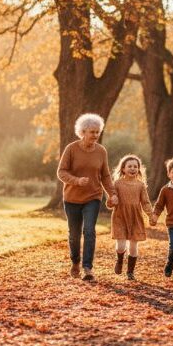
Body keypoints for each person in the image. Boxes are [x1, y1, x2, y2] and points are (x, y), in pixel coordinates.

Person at [57, 113, 118, 281]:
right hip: (72, 198)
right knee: (74, 234)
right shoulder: (71, 149)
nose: (96, 135)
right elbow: (61, 172)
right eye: (92, 132)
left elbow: (105, 176)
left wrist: (112, 194)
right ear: (83, 132)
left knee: (89, 231)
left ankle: (87, 268)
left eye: (98, 132)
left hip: (93, 196)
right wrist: (76, 181)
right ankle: (75, 262)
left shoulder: (101, 151)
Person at [108, 154, 154, 280]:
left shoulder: (140, 185)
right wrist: (112, 200)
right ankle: (119, 260)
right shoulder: (117, 184)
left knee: (133, 247)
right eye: (129, 166)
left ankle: (130, 272)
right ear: (123, 169)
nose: (132, 168)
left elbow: (145, 202)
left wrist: (151, 215)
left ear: (138, 169)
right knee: (121, 245)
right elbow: (110, 202)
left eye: (135, 166)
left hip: (135, 218)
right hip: (120, 217)